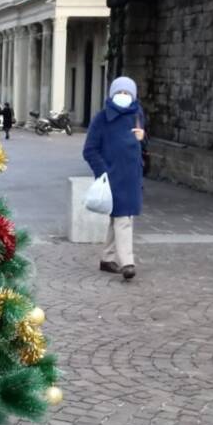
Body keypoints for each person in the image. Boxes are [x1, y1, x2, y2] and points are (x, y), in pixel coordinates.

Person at [82, 76, 145, 280]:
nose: (123, 96)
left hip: (131, 178)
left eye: (127, 93)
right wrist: (103, 172)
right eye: (120, 92)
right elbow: (89, 150)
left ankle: (107, 258)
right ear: (112, 94)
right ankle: (127, 262)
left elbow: (142, 145)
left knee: (119, 217)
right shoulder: (101, 118)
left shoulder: (137, 115)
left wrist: (142, 139)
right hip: (112, 178)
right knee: (123, 219)